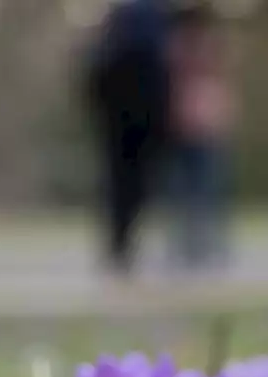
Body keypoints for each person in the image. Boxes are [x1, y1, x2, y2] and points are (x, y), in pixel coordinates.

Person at [83, 0, 175, 276]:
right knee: (132, 185)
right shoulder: (149, 27)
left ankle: (120, 243)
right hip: (133, 117)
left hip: (124, 119)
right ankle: (122, 244)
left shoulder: (119, 31)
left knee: (123, 184)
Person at [165, 5, 235, 271]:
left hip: (204, 128)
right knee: (188, 189)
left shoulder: (199, 50)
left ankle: (207, 244)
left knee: (206, 189)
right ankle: (189, 245)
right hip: (186, 129)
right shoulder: (178, 52)